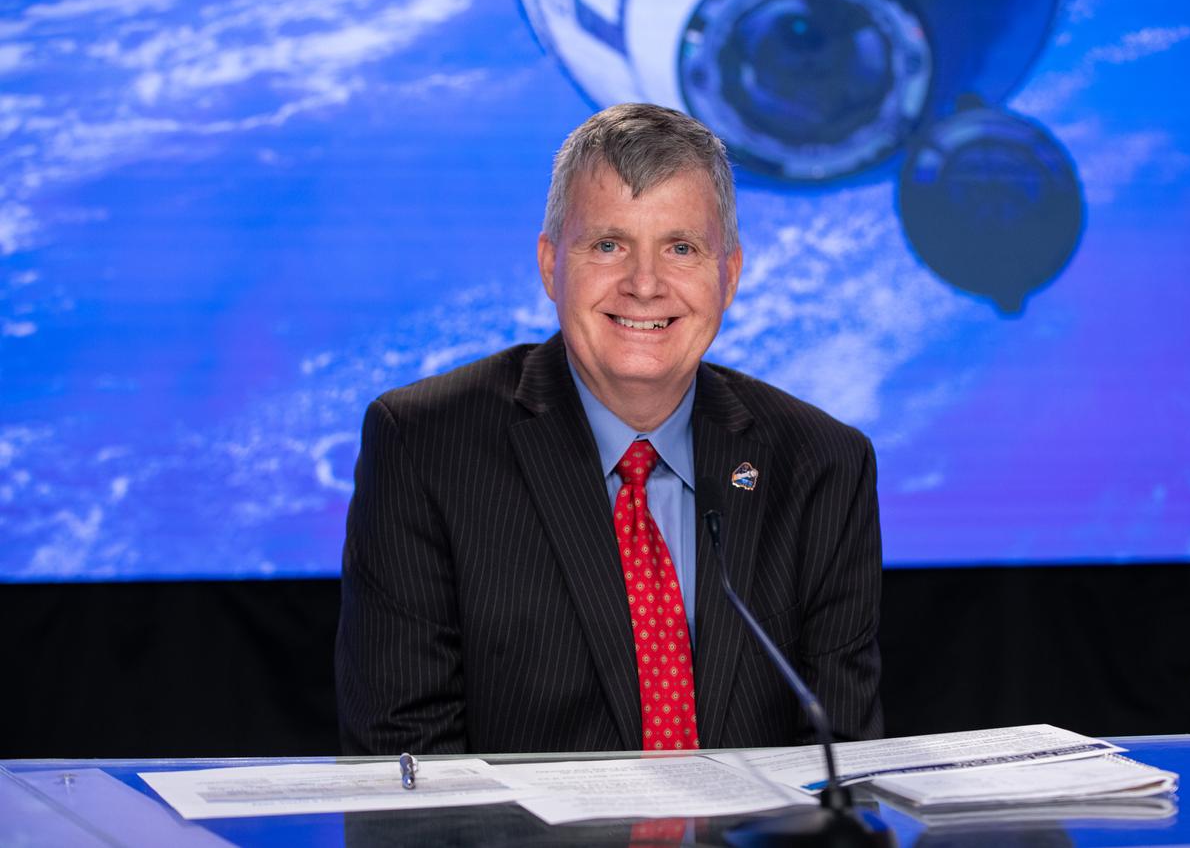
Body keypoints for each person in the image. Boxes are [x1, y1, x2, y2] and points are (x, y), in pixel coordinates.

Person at [336, 103, 882, 755]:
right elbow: (407, 765)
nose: (645, 285)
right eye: (608, 245)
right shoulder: (424, 447)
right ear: (549, 266)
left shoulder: (823, 465)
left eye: (681, 248)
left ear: (728, 276)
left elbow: (845, 763)